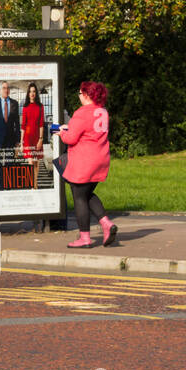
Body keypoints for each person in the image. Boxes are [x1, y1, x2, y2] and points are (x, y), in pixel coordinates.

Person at [53, 80, 116, 248]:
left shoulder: (81, 112)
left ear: (87, 95)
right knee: (87, 194)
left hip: (84, 161)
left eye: (80, 93)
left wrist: (61, 133)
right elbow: (88, 131)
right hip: (100, 159)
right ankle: (106, 224)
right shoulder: (102, 111)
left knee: (79, 197)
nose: (79, 96)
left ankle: (85, 238)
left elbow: (72, 138)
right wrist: (70, 127)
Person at [21, 82, 45, 161]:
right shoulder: (25, 107)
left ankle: (35, 174)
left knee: (36, 163)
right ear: (28, 93)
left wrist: (40, 139)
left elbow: (41, 124)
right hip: (27, 137)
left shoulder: (40, 106)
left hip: (37, 137)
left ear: (36, 93)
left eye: (34, 91)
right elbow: (23, 126)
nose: (32, 93)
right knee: (30, 162)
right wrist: (21, 142)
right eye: (30, 91)